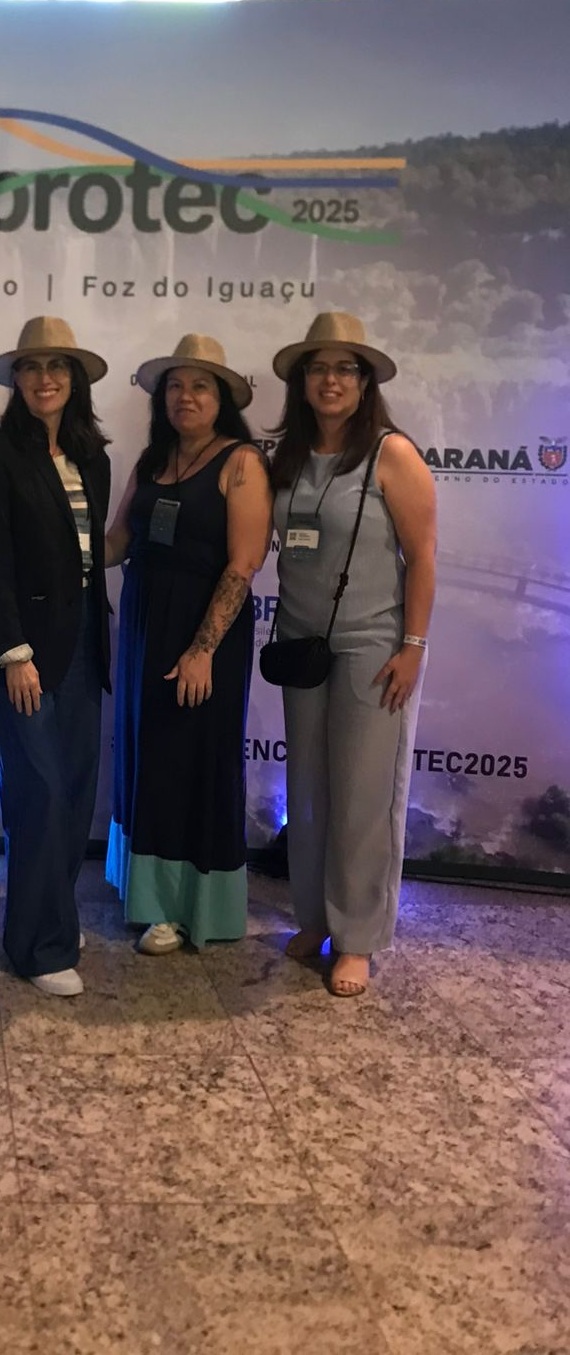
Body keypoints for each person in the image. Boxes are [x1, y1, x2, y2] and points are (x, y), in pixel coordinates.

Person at [269, 312, 436, 997]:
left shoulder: (391, 454)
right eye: (319, 368)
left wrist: (413, 647)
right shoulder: (285, 456)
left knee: (363, 793)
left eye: (345, 368)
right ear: (303, 382)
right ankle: (314, 918)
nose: (330, 380)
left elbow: (423, 557)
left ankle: (357, 937)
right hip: (301, 643)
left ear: (365, 383)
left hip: (373, 645)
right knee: (308, 790)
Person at [105, 335, 271, 952]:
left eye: (200, 385)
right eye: (175, 386)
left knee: (190, 758)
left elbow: (244, 563)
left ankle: (181, 908)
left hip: (204, 633)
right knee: (148, 753)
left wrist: (202, 650)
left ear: (222, 397)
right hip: (145, 622)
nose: (185, 396)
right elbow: (117, 542)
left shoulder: (242, 462)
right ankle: (145, 890)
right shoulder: (153, 460)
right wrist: (55, 548)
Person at [0, 317, 111, 997]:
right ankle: (36, 949)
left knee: (75, 791)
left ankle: (56, 918)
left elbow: (90, 558)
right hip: (24, 652)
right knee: (38, 792)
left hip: (82, 645)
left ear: (74, 380)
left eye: (58, 366)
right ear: (16, 379)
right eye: (32, 366)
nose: (45, 378)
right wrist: (13, 652)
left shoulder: (93, 457)